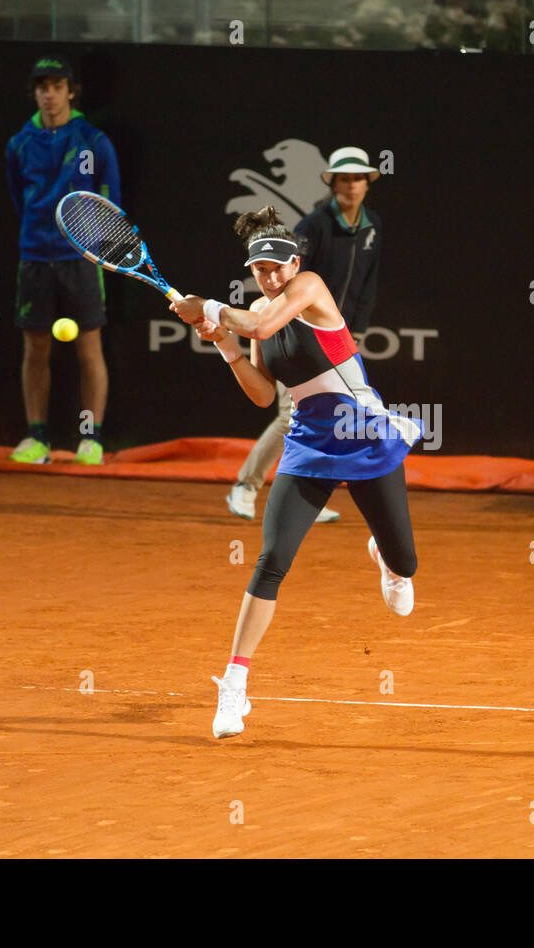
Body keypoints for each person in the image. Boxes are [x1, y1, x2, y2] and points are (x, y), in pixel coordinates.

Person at [173, 205, 420, 740]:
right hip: (308, 445)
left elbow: (261, 320)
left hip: (363, 437)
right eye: (261, 270)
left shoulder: (309, 288)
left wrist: (210, 307)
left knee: (406, 562)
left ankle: (387, 558)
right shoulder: (260, 312)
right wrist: (225, 345)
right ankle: (234, 686)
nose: (272, 276)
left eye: (278, 266)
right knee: (271, 561)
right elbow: (264, 395)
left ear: (296, 260)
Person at [225, 146, 384, 524]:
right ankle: (245, 486)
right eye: (343, 178)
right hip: (293, 332)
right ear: (331, 183)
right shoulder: (313, 226)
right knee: (291, 417)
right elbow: (289, 285)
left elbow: (368, 281)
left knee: (323, 416)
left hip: (334, 337)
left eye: (357, 178)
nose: (351, 185)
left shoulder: (372, 225)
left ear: (367, 183)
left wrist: (352, 330)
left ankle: (308, 492)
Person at [5, 57, 120, 466]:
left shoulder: (94, 140)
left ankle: (92, 439)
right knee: (35, 349)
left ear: (71, 90)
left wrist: (98, 248)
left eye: (56, 86)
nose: (49, 94)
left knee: (90, 348)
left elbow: (110, 204)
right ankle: (37, 438)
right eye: (42, 87)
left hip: (82, 258)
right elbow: (20, 199)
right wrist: (40, 236)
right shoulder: (19, 144)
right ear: (35, 92)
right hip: (35, 257)